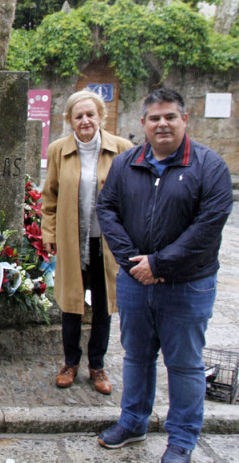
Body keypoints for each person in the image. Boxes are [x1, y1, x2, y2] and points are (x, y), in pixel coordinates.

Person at [96, 88, 233, 463]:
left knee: (184, 364)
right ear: (143, 123)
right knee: (136, 357)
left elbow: (207, 229)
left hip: (187, 286)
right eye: (155, 118)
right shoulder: (126, 164)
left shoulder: (210, 167)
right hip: (135, 283)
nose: (162, 124)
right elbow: (107, 209)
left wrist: (159, 264)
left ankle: (182, 440)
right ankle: (133, 421)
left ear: (184, 120)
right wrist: (133, 263)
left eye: (170, 116)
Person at [41, 90, 132, 395]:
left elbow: (132, 198)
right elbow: (49, 196)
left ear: (100, 117)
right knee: (71, 304)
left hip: (105, 242)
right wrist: (49, 234)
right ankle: (70, 362)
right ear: (69, 120)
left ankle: (97, 365)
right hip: (71, 239)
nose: (85, 121)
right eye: (78, 116)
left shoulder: (122, 149)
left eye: (90, 114)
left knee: (103, 305)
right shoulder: (58, 150)